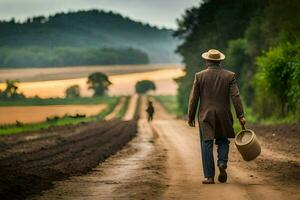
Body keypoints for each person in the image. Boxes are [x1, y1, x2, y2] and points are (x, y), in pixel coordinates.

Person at [188, 49, 246, 184]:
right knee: (223, 140)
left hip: (205, 116)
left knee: (206, 143)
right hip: (223, 114)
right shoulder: (229, 76)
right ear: (220, 61)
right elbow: (235, 97)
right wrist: (240, 115)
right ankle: (222, 162)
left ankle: (209, 177)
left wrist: (190, 117)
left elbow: (193, 99)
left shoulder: (199, 76)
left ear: (207, 61)